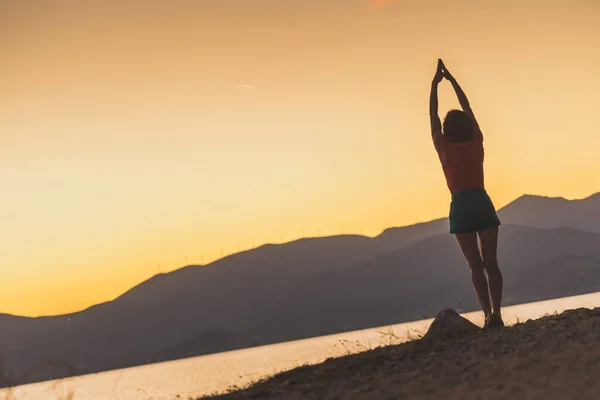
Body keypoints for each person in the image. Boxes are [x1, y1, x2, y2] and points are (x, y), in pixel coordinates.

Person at [429, 59, 504, 329]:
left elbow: (433, 119)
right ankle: (497, 312)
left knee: (475, 266)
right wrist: (452, 80)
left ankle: (487, 315)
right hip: (481, 202)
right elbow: (468, 108)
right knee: (491, 264)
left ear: (448, 130)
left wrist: (434, 86)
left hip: (460, 207)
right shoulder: (476, 142)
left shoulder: (444, 149)